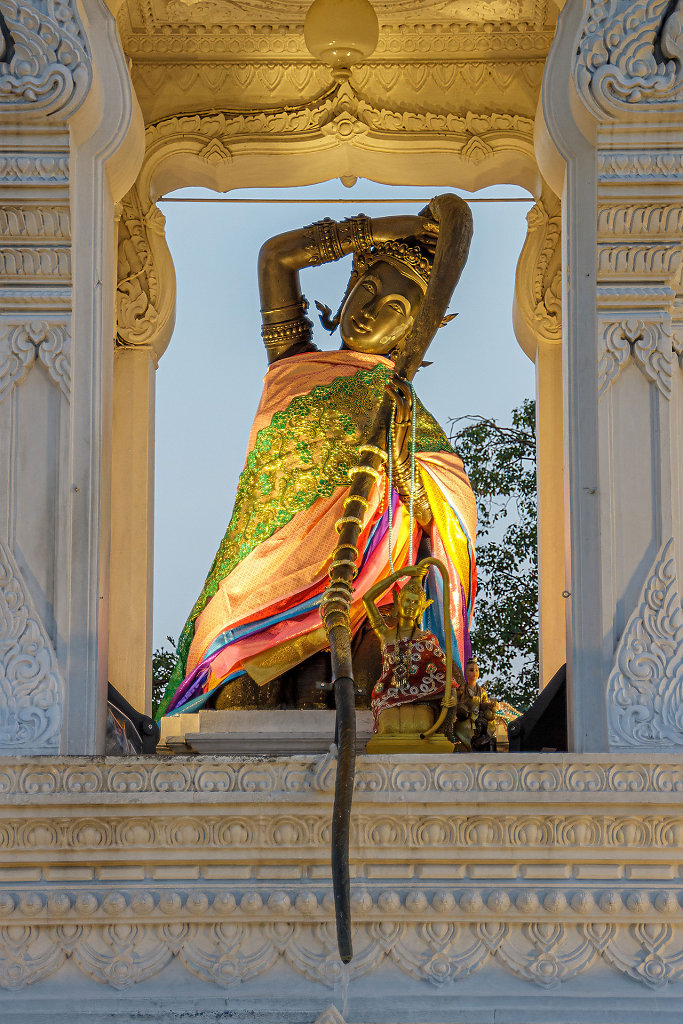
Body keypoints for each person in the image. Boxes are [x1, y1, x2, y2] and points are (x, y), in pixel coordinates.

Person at [156, 202, 477, 720]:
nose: (370, 309)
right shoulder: (293, 362)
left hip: (359, 587)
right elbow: (276, 259)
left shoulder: (403, 409)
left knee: (328, 692)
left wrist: (401, 466)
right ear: (350, 285)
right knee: (236, 698)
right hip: (264, 573)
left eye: (395, 306)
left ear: (414, 330)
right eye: (368, 288)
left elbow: (446, 508)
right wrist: (394, 229)